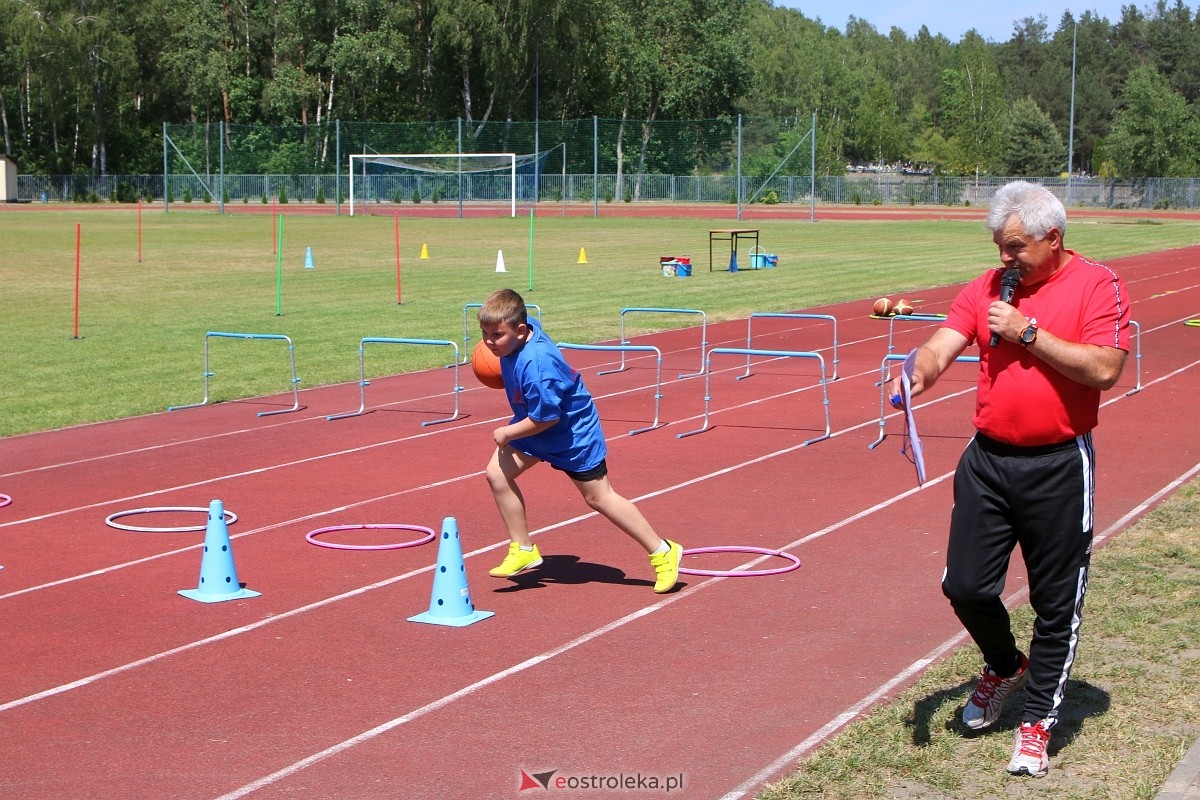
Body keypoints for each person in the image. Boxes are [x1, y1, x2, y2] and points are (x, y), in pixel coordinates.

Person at [890, 181, 1130, 778]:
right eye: (999, 245)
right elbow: (941, 345)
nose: (1005, 258)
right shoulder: (986, 289)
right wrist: (916, 374)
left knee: (1055, 603)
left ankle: (1036, 723)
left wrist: (1028, 332)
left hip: (1058, 466)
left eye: (1016, 247)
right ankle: (1003, 664)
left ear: (1053, 238)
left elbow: (1105, 369)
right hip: (988, 461)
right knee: (965, 586)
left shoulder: (1097, 284)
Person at [477, 288, 682, 594]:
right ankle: (523, 548)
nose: (489, 342)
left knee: (599, 498)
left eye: (496, 335)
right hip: (535, 426)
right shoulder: (520, 332)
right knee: (497, 474)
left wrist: (506, 432)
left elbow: (547, 418)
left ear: (521, 331)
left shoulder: (537, 366)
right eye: (484, 334)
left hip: (571, 433)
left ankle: (662, 550)